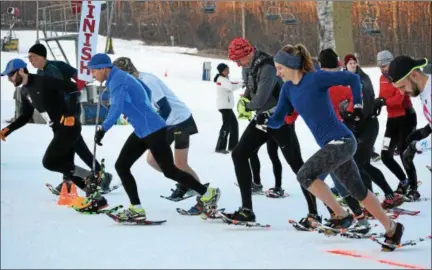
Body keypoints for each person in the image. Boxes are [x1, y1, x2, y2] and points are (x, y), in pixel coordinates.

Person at [265, 44, 403, 250]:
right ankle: (392, 228)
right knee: (358, 191)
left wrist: (357, 104)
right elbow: (279, 119)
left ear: (292, 65)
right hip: (334, 146)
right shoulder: (288, 89)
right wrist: (265, 119)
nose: (277, 72)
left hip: (342, 141)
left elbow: (353, 78)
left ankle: (341, 214)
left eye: (280, 68)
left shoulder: (316, 78)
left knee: (305, 175)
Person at [86, 53, 220, 221]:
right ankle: (137, 209)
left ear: (104, 68)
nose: (92, 75)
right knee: (122, 165)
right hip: (144, 129)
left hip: (153, 129)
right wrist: (142, 108)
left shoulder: (116, 81)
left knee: (169, 170)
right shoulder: (121, 76)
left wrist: (103, 129)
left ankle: (207, 193)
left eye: (94, 71)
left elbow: (116, 108)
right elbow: (146, 90)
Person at [222, 37, 310, 221]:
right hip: (262, 119)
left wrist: (246, 106)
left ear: (248, 53)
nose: (237, 64)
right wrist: (244, 101)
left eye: (238, 60)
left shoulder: (268, 67)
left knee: (297, 166)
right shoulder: (248, 66)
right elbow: (250, 91)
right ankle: (247, 210)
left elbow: (261, 98)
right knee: (239, 154)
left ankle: (317, 211)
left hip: (280, 120)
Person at [112, 56, 204, 213]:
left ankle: (203, 197)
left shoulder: (148, 81)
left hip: (179, 120)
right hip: (166, 123)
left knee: (180, 163)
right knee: (152, 160)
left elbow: (165, 108)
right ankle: (185, 182)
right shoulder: (134, 83)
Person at [0, 59, 98, 202]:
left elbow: (73, 88)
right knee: (66, 165)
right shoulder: (24, 91)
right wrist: (8, 129)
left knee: (50, 161)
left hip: (69, 126)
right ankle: (93, 192)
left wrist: (70, 114)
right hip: (58, 129)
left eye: (11, 75)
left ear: (21, 70)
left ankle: (91, 177)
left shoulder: (43, 81)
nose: (9, 79)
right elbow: (25, 116)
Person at [27, 43, 112, 194]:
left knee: (71, 145)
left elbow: (76, 82)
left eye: (33, 57)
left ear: (42, 56)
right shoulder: (40, 74)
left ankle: (86, 178)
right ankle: (88, 177)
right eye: (29, 57)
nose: (31, 60)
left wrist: (70, 112)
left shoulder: (55, 67)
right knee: (73, 146)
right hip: (58, 116)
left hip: (69, 113)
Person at [374, 50, 418, 197]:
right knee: (385, 155)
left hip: (406, 117)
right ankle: (403, 180)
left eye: (385, 65)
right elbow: (382, 96)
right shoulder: (382, 78)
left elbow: (398, 100)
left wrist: (383, 102)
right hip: (392, 120)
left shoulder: (400, 76)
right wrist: (377, 102)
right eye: (380, 66)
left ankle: (413, 188)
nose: (383, 69)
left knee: (404, 154)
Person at [388, 56, 431, 201]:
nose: (401, 93)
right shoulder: (425, 89)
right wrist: (423, 132)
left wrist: (417, 145)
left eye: (402, 87)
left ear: (414, 75)